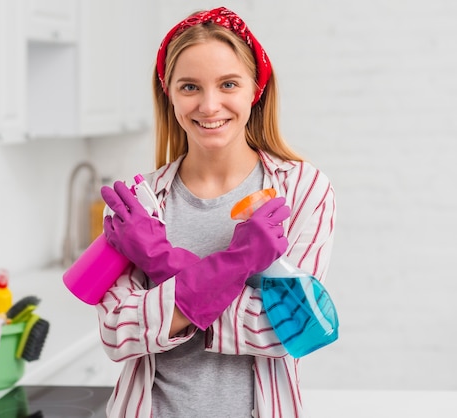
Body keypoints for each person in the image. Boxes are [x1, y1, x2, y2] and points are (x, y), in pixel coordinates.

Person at [97, 7, 336, 418]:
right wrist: (237, 263)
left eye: (228, 84)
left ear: (255, 89)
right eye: (190, 87)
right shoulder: (136, 202)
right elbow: (117, 331)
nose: (210, 106)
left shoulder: (302, 189)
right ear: (168, 93)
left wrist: (160, 262)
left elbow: (290, 328)